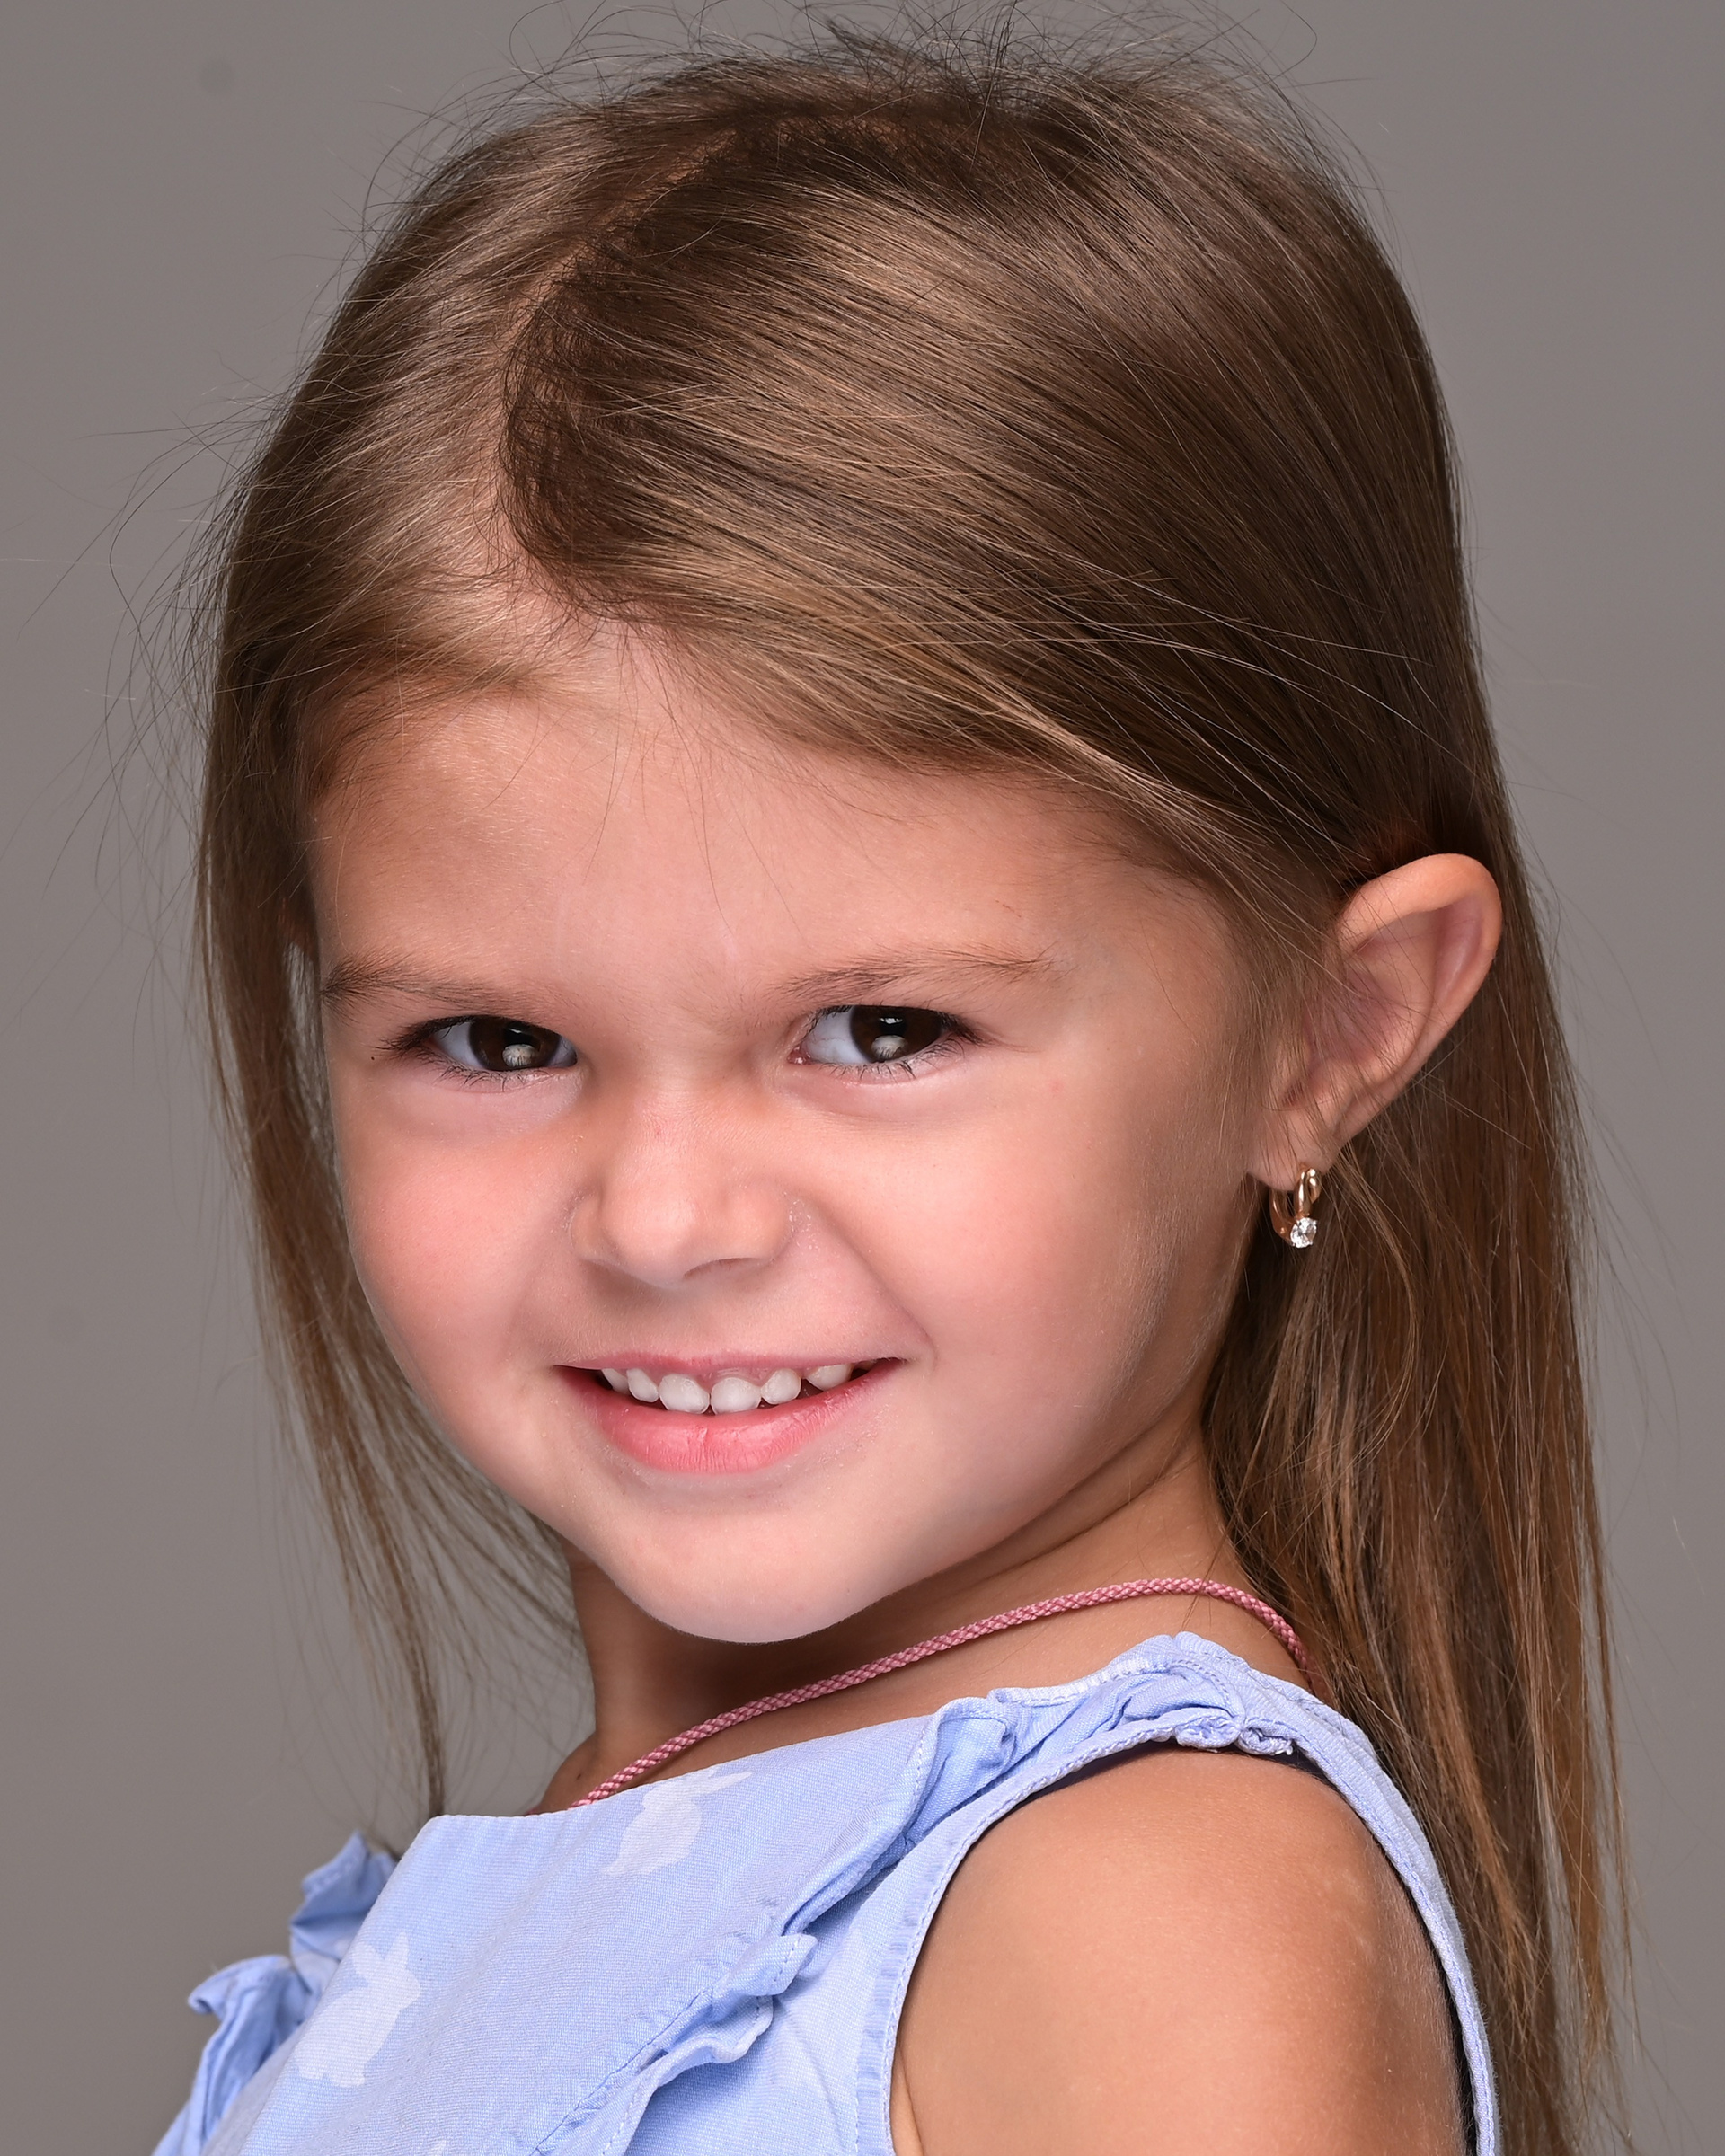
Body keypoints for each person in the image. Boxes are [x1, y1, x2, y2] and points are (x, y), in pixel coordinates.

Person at [153, 25, 1620, 2156]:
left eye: (883, 1033)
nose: (668, 1219)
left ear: (1331, 1035)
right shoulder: (671, 1848)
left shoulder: (1153, 1918)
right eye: (500, 1042)